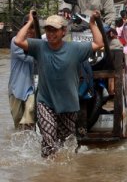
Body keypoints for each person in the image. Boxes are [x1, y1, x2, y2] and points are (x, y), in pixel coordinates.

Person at [14, 12, 104, 158]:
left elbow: (99, 44)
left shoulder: (75, 49)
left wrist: (92, 23)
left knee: (66, 145)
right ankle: (48, 173)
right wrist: (30, 22)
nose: (50, 34)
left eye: (54, 30)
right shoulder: (39, 46)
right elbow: (18, 41)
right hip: (45, 102)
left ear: (63, 31)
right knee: (49, 142)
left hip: (68, 104)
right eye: (48, 30)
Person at [8, 13, 36, 130]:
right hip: (16, 89)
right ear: (22, 28)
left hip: (31, 89)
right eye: (27, 27)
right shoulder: (16, 41)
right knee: (18, 125)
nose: (30, 30)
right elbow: (31, 58)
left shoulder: (38, 44)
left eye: (32, 27)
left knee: (30, 116)